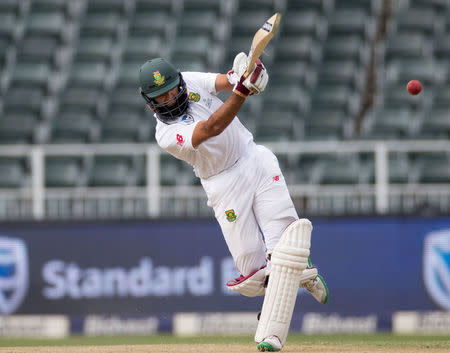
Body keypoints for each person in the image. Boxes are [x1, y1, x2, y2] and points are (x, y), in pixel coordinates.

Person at [139, 54, 329, 352]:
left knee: (283, 244)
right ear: (149, 102)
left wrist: (249, 73)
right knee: (253, 273)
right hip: (223, 184)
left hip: (255, 159)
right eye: (160, 96)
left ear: (178, 81)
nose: (169, 97)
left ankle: (274, 329)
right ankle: (300, 274)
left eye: (172, 89)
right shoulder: (164, 134)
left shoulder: (189, 79)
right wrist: (243, 91)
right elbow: (211, 128)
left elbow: (226, 81)